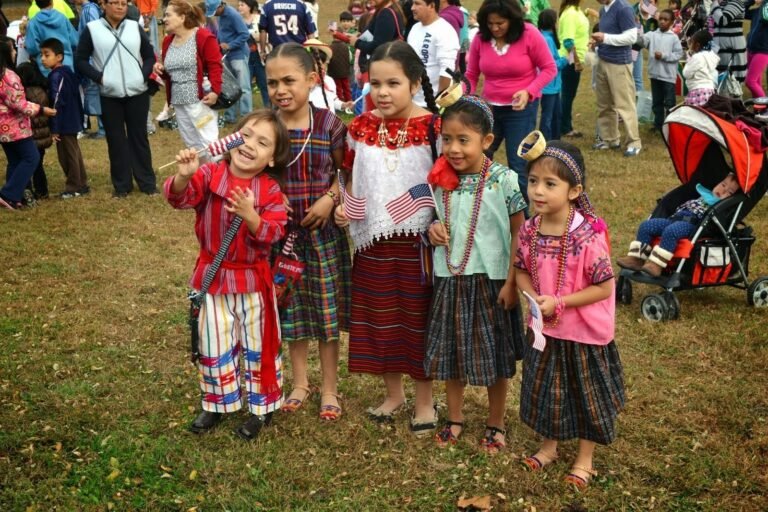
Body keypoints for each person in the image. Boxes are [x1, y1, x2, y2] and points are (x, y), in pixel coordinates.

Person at [164, 109, 291, 440]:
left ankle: (262, 408)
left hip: (253, 284)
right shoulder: (209, 174)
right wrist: (183, 176)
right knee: (214, 342)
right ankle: (218, 402)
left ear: (272, 158)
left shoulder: (269, 190)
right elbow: (180, 198)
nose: (249, 145)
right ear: (232, 138)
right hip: (213, 279)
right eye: (245, 135)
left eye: (262, 142)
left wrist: (250, 215)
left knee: (259, 345)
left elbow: (274, 232)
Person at [334, 41, 439, 436]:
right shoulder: (360, 127)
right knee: (381, 318)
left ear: (414, 83)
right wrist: (345, 204)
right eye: (375, 83)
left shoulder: (435, 127)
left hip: (419, 242)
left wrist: (440, 223)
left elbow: (449, 181)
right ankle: (393, 394)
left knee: (417, 320)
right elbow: (349, 173)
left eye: (393, 83)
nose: (382, 92)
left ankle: (425, 401)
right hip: (372, 242)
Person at [514, 134, 624, 491]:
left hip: (583, 333)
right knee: (549, 390)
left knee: (584, 394)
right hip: (546, 331)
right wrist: (534, 298)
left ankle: (584, 458)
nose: (537, 191)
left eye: (550, 184)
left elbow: (604, 286)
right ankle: (549, 447)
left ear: (574, 191)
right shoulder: (529, 230)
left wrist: (559, 302)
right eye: (533, 181)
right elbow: (520, 269)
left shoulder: (586, 236)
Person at [425, 95, 526, 453]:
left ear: (487, 140)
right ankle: (455, 418)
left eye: (463, 140)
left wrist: (512, 282)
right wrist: (433, 229)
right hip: (450, 279)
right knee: (452, 353)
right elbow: (434, 219)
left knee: (494, 355)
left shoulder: (505, 180)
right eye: (447, 139)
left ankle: (496, 422)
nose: (453, 148)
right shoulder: (440, 180)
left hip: (491, 281)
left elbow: (519, 233)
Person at [264, 42, 352, 422]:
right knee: (291, 313)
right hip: (281, 242)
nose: (280, 90)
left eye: (289, 81)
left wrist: (331, 199)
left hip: (323, 239)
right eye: (272, 83)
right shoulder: (266, 127)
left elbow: (346, 172)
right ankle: (299, 382)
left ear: (312, 79)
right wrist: (271, 196)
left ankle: (329, 387)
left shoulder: (330, 125)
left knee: (327, 316)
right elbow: (250, 171)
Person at [466, 0, 556, 205]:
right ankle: (481, 207)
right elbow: (471, 74)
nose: (495, 28)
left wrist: (528, 91)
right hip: (489, 110)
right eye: (490, 23)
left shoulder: (529, 34)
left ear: (512, 19)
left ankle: (522, 216)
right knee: (478, 157)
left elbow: (549, 68)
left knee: (518, 166)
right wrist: (466, 96)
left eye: (500, 23)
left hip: (521, 110)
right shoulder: (481, 38)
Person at [76, 0, 157, 197]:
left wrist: (142, 75)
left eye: (123, 3)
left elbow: (149, 56)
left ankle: (147, 183)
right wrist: (100, 78)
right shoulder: (92, 29)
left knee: (139, 138)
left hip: (137, 92)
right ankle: (122, 186)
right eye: (115, 2)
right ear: (104, 5)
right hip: (109, 95)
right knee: (115, 140)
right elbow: (80, 60)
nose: (120, 7)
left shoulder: (134, 27)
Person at [617, 173, 740, 276]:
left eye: (729, 192)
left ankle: (657, 264)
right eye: (723, 185)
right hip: (674, 219)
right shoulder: (704, 193)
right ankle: (637, 258)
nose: (723, 190)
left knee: (672, 231)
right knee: (647, 225)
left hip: (691, 225)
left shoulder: (720, 207)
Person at [155, 0, 222, 157]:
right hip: (179, 103)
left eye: (168, 15)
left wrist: (215, 91)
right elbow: (171, 73)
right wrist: (161, 71)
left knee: (209, 144)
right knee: (193, 146)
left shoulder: (203, 36)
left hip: (200, 102)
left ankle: (220, 170)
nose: (164, 19)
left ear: (182, 17)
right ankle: (202, 172)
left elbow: (215, 66)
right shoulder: (168, 41)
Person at [0, 36, 56, 210]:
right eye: (13, 49)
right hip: (15, 127)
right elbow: (19, 103)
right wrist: (41, 109)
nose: (15, 52)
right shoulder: (9, 76)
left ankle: (14, 197)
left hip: (3, 129)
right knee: (32, 157)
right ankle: (8, 194)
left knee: (15, 161)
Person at [591, 0, 643, 157]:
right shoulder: (603, 10)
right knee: (605, 104)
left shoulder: (623, 8)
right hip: (603, 60)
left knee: (625, 105)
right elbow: (608, 35)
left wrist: (605, 38)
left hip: (619, 63)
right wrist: (597, 44)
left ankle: (634, 142)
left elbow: (631, 37)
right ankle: (610, 139)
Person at [41, 38, 88, 199]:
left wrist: (55, 128)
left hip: (64, 123)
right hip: (71, 120)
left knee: (67, 156)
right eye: (42, 55)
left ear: (59, 57)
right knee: (74, 153)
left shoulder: (56, 76)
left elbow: (56, 104)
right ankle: (81, 184)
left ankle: (73, 187)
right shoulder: (67, 72)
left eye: (47, 55)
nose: (43, 59)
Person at [348, 0, 406, 111]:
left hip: (380, 71)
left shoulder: (386, 14)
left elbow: (378, 47)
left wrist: (357, 43)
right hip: (385, 69)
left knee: (374, 111)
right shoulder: (390, 10)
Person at [205, 0, 251, 125]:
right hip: (227, 55)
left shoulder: (233, 15)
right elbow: (222, 33)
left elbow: (245, 34)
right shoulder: (220, 15)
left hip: (239, 55)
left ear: (220, 6)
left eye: (215, 11)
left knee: (244, 87)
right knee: (230, 87)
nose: (214, 14)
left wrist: (230, 45)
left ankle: (247, 116)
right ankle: (230, 116)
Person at [407, 0, 460, 106]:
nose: (412, 8)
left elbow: (447, 71)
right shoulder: (415, 28)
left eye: (417, 4)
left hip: (431, 104)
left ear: (431, 6)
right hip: (412, 100)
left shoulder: (444, 30)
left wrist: (438, 104)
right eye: (413, 3)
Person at [639, 8, 683, 131]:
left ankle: (670, 126)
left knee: (669, 102)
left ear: (672, 22)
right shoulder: (652, 35)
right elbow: (642, 40)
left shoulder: (674, 38)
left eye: (666, 19)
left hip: (668, 77)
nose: (662, 21)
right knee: (657, 102)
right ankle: (658, 125)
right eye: (661, 19)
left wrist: (664, 56)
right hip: (654, 75)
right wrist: (636, 28)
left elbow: (678, 54)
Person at [17, 62, 52, 200]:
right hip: (42, 135)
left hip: (32, 135)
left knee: (28, 163)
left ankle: (29, 190)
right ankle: (42, 190)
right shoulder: (42, 90)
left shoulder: (26, 93)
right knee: (38, 164)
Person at [558, 0, 590, 138]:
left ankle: (564, 125)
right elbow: (568, 42)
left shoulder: (576, 11)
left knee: (569, 94)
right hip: (569, 60)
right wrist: (576, 61)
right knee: (567, 95)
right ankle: (565, 127)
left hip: (573, 59)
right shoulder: (570, 13)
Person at [26, 0, 79, 77]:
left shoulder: (33, 23)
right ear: (51, 2)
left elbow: (32, 48)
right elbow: (74, 41)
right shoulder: (62, 18)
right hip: (66, 63)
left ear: (37, 4)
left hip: (46, 67)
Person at [75, 0, 104, 139]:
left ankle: (103, 129)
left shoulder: (88, 10)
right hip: (93, 60)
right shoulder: (90, 9)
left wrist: (90, 61)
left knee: (96, 94)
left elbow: (94, 35)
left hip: (92, 60)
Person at [538, 9, 567, 140]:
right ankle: (545, 143)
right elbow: (551, 64)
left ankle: (555, 141)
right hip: (549, 86)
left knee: (556, 115)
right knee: (548, 117)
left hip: (553, 85)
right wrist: (565, 59)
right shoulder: (547, 40)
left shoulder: (545, 37)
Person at [302, 38, 354, 112]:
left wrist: (343, 105)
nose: (324, 67)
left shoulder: (329, 80)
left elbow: (332, 100)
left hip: (329, 118)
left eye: (325, 64)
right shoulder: (302, 84)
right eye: (318, 63)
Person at [238, 0, 269, 107]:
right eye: (239, 5)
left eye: (242, 5)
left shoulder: (259, 18)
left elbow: (267, 35)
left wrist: (257, 36)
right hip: (245, 58)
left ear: (250, 6)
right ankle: (247, 111)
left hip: (260, 56)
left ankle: (270, 109)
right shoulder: (237, 20)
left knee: (265, 84)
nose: (239, 7)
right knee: (245, 86)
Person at [711, 0, 747, 84]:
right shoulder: (722, 3)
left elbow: (722, 20)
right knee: (719, 83)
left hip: (732, 50)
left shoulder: (737, 3)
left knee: (733, 83)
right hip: (721, 50)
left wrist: (714, 3)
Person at [683, 29, 719, 105]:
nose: (690, 45)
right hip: (709, 92)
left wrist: (689, 59)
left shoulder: (697, 57)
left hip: (697, 91)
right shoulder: (711, 56)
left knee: (694, 111)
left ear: (697, 45)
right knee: (704, 111)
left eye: (691, 43)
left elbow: (686, 73)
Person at [328, 10, 356, 102]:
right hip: (341, 64)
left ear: (352, 22)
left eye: (347, 21)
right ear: (340, 22)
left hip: (351, 63)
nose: (345, 23)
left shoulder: (354, 33)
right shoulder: (338, 31)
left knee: (350, 82)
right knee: (341, 83)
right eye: (343, 21)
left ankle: (351, 99)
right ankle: (343, 100)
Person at [745, 0, 768, 97]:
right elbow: (743, 12)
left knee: (750, 82)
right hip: (751, 49)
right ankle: (758, 105)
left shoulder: (765, 10)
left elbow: (765, 18)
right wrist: (751, 1)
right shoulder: (757, 11)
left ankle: (764, 105)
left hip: (763, 50)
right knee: (756, 83)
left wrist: (764, 2)